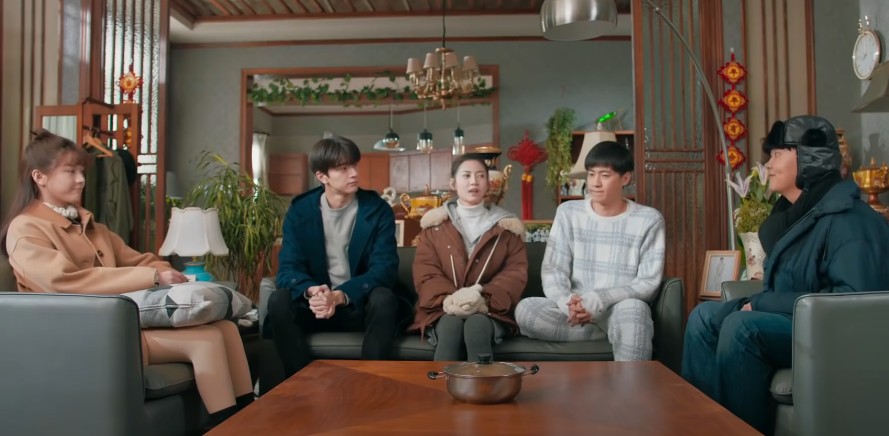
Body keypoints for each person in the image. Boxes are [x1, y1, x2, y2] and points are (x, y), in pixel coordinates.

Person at [0, 130, 253, 429]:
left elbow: (139, 260)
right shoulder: (26, 229)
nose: (81, 179)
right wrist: (152, 277)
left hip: (116, 324)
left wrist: (164, 272)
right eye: (70, 171)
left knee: (226, 328)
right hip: (75, 334)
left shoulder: (91, 226)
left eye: (82, 171)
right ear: (39, 177)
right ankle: (232, 429)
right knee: (206, 340)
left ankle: (253, 421)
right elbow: (63, 282)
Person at [681, 115, 889, 434]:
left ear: (810, 159)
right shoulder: (798, 217)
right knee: (703, 317)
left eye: (777, 154)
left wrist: (762, 304)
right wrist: (760, 302)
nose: (768, 164)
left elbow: (852, 303)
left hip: (831, 332)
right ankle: (702, 428)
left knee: (742, 327)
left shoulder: (850, 221)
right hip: (795, 319)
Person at [268, 136, 413, 376]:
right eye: (343, 168)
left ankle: (371, 381)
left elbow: (384, 269)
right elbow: (288, 269)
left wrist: (340, 296)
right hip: (315, 307)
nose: (354, 173)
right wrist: (313, 292)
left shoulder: (377, 209)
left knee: (384, 298)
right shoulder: (300, 210)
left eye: (354, 165)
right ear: (322, 176)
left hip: (359, 305)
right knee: (279, 300)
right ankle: (300, 381)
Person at [514, 140, 665, 361]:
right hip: (575, 307)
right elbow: (554, 270)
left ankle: (625, 360)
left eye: (604, 175)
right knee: (525, 310)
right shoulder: (568, 212)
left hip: (618, 308)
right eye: (591, 174)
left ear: (625, 178)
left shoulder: (648, 219)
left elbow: (648, 283)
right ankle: (608, 334)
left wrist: (599, 299)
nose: (595, 182)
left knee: (635, 312)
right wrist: (568, 303)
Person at [409, 154, 528, 361]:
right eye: (466, 175)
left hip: (490, 309)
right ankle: (439, 383)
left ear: (488, 183)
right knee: (451, 325)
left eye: (480, 176)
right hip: (443, 308)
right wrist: (450, 300)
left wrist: (481, 297)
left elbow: (515, 274)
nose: (474, 182)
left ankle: (483, 383)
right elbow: (426, 272)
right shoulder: (434, 228)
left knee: (477, 324)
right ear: (453, 183)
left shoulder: (507, 229)